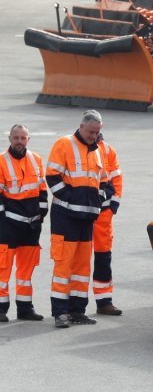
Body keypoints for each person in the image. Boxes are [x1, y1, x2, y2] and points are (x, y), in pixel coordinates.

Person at [46, 110, 105, 328]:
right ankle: (60, 313)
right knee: (64, 266)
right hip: (65, 217)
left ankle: (77, 310)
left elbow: (103, 181)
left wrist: (98, 201)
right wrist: (71, 199)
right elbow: (52, 177)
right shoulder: (64, 144)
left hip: (86, 218)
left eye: (97, 132)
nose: (94, 136)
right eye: (91, 132)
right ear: (81, 126)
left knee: (82, 267)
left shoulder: (97, 150)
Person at [0, 125, 47, 322]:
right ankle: (0, 310)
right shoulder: (1, 161)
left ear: (29, 139)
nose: (19, 141)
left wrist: (42, 213)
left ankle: (25, 308)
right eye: (16, 137)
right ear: (9, 139)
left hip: (31, 225)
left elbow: (42, 189)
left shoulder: (36, 159)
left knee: (26, 270)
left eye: (23, 138)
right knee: (3, 268)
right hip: (8, 224)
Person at [93, 132, 123, 316]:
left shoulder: (108, 151)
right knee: (76, 261)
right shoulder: (72, 148)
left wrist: (113, 206)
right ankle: (73, 305)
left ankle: (104, 302)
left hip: (103, 215)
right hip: (80, 213)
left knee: (103, 257)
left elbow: (117, 178)